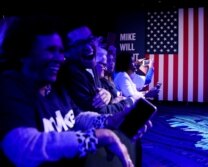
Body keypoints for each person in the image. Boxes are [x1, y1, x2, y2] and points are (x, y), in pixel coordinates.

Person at [0, 16, 135, 167]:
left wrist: (111, 120)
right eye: (51, 50)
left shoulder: (56, 84)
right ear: (24, 53)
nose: (59, 58)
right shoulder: (8, 87)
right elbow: (24, 148)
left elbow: (76, 117)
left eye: (60, 51)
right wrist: (94, 138)